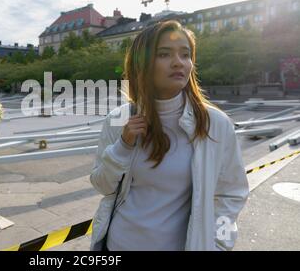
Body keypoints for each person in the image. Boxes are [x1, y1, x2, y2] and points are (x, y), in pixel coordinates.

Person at [90, 20, 249, 251]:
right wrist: (123, 146)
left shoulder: (216, 124)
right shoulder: (119, 119)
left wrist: (219, 244)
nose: (178, 62)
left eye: (185, 55)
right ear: (142, 65)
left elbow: (231, 194)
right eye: (164, 54)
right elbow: (102, 186)